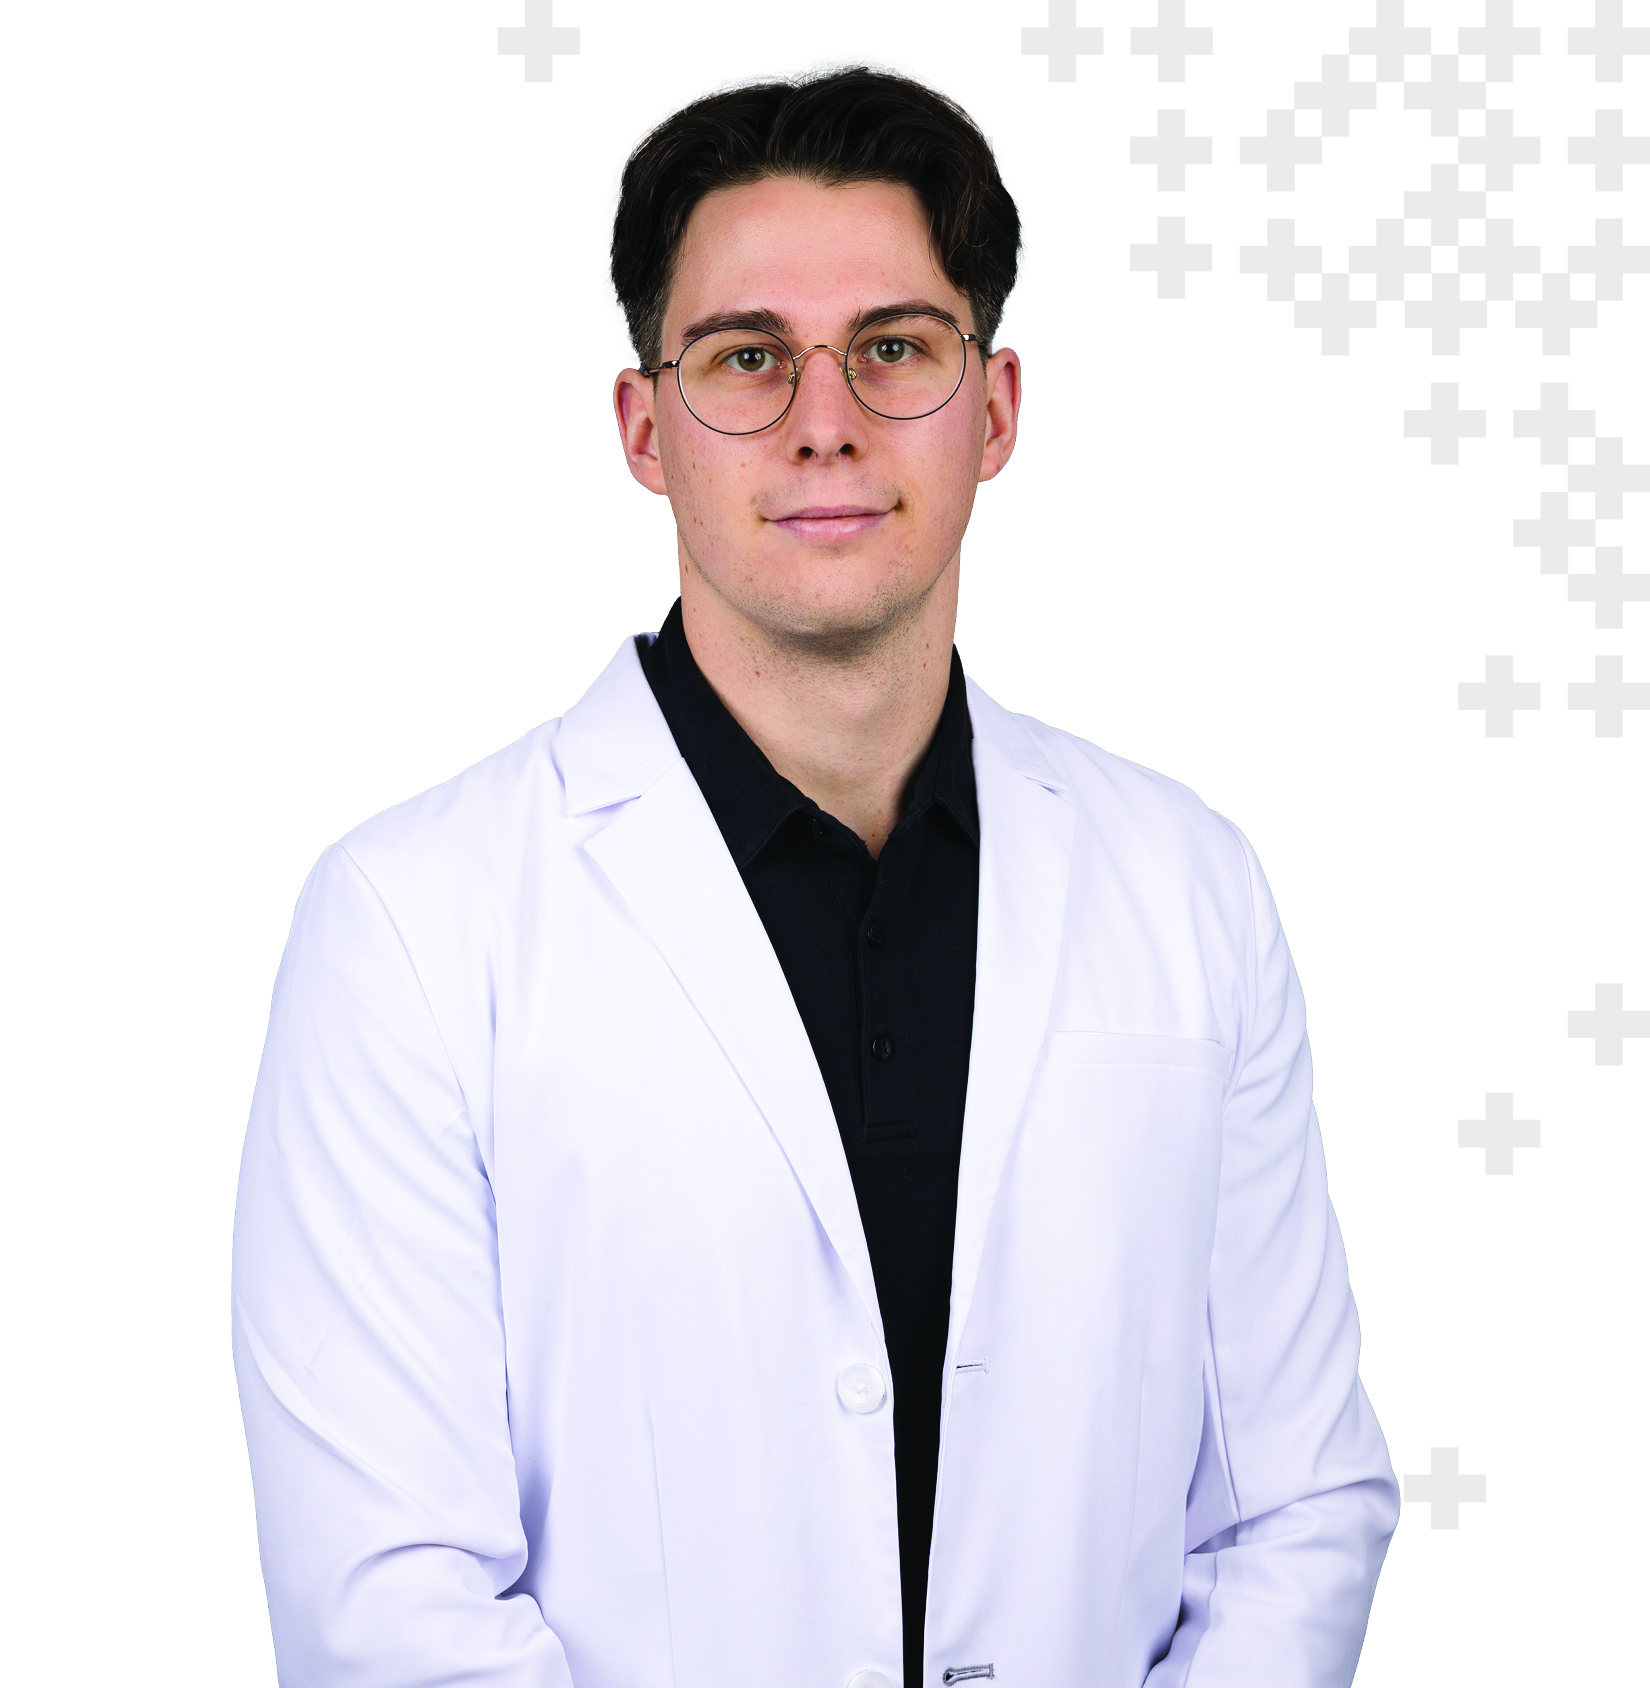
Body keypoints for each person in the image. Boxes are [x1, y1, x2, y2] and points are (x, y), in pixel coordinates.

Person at [232, 65, 1399, 1688]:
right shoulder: (412, 926)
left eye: (895, 348)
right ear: (646, 430)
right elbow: (387, 1600)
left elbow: (1294, 1504)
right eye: (747, 356)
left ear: (995, 409)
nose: (825, 418)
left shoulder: (1187, 887)